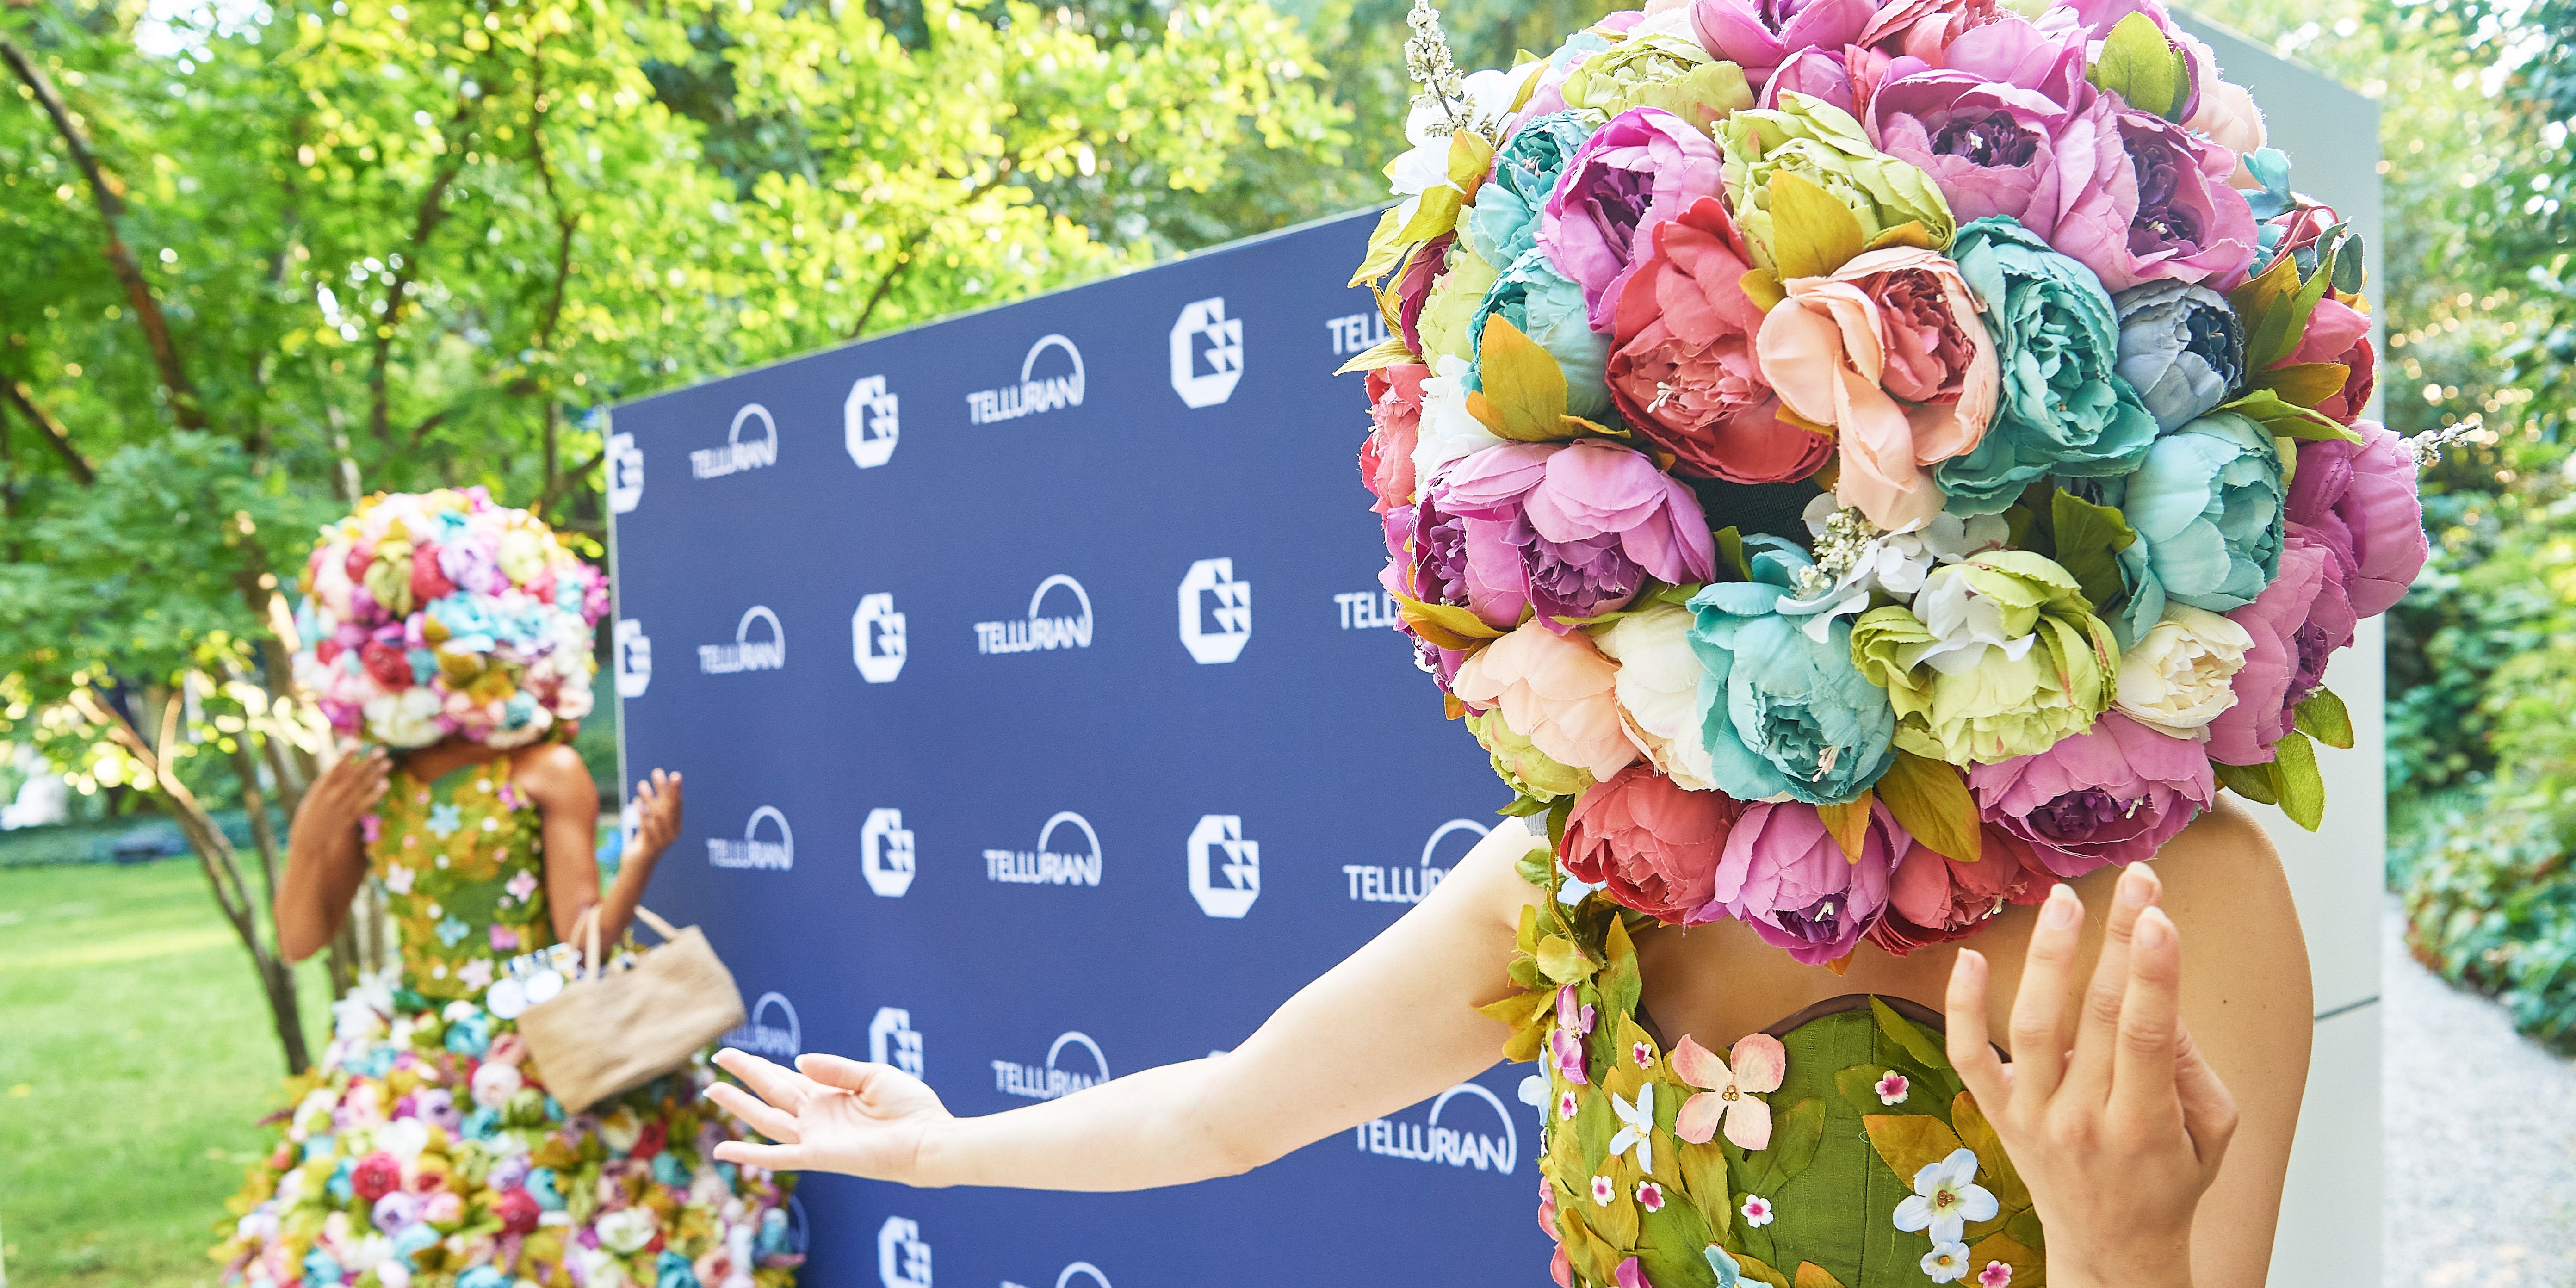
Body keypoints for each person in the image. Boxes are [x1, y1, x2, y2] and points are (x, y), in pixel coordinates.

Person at [708, 805, 2301, 1285]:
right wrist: (931, 1145)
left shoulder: (2173, 883)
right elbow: (1222, 1115)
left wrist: (2121, 1247)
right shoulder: (1576, 866)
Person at [213, 489, 798, 1288]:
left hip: (551, 1050)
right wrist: (313, 838)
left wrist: (642, 858)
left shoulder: (545, 770)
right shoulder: (372, 782)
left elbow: (579, 944)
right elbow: (299, 940)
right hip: (409, 1064)